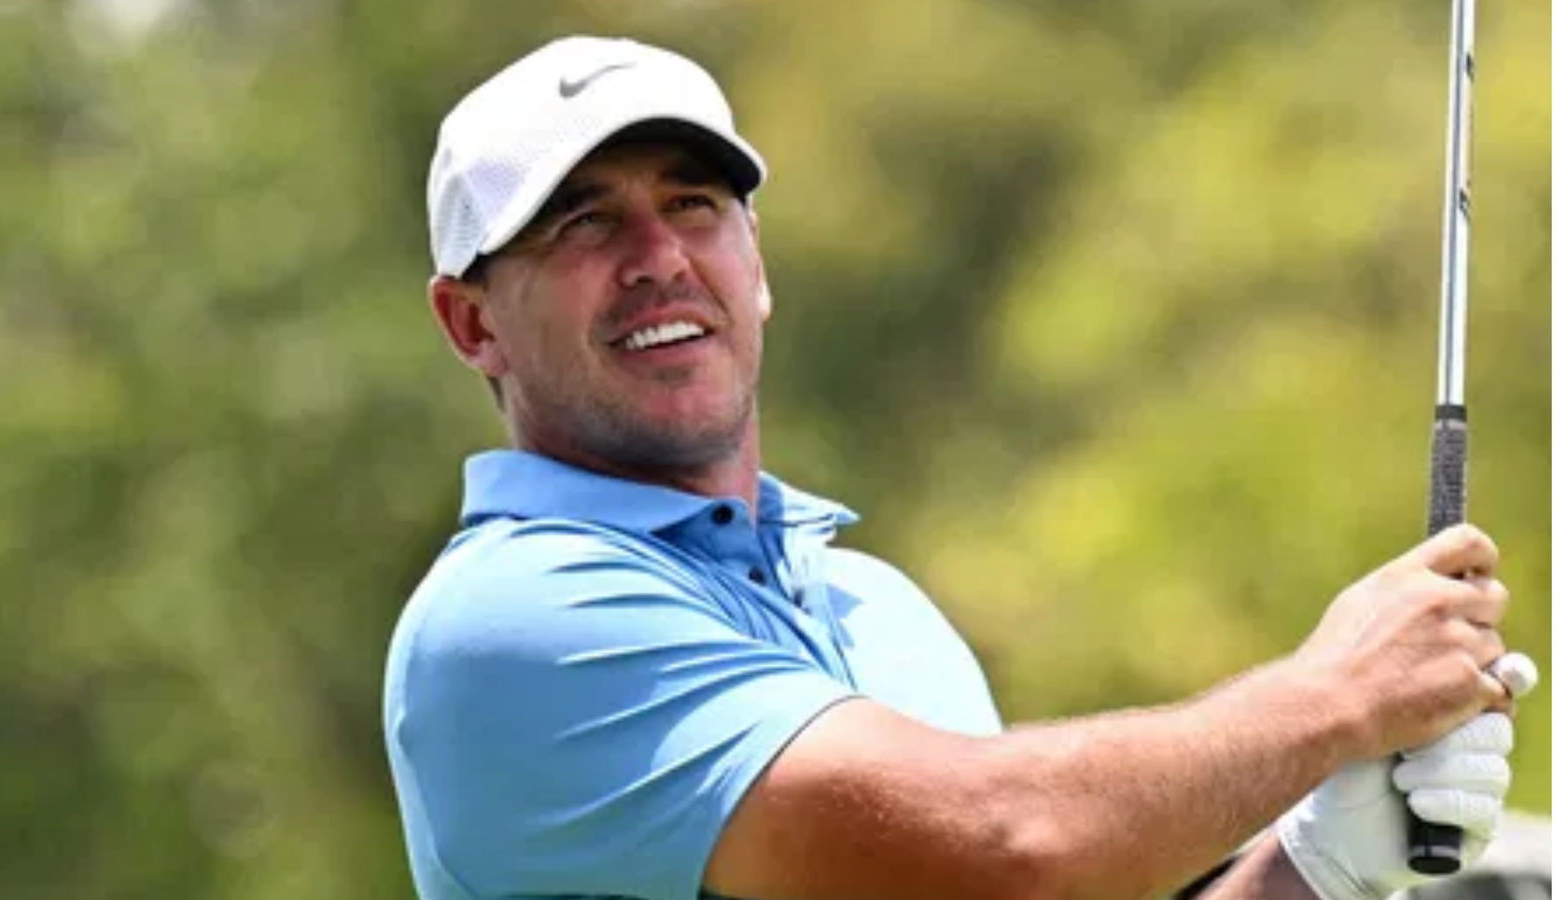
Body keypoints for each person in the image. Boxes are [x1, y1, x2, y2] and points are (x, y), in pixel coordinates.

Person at [383, 35, 1534, 900]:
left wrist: (1318, 863)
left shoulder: (880, 612)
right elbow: (1009, 844)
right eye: (583, 224)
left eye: (693, 204)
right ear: (471, 322)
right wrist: (1334, 696)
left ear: (755, 262)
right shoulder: (508, 620)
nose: (658, 258)